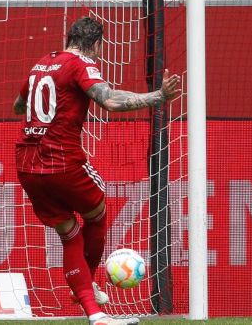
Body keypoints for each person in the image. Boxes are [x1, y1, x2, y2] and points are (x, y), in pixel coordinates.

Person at [13, 17, 181, 325]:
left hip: (26, 162)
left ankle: (95, 313)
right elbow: (111, 102)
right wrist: (159, 96)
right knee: (98, 212)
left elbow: (17, 105)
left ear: (69, 38)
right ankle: (87, 281)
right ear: (98, 45)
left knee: (70, 232)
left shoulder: (41, 64)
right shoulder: (81, 64)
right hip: (61, 159)